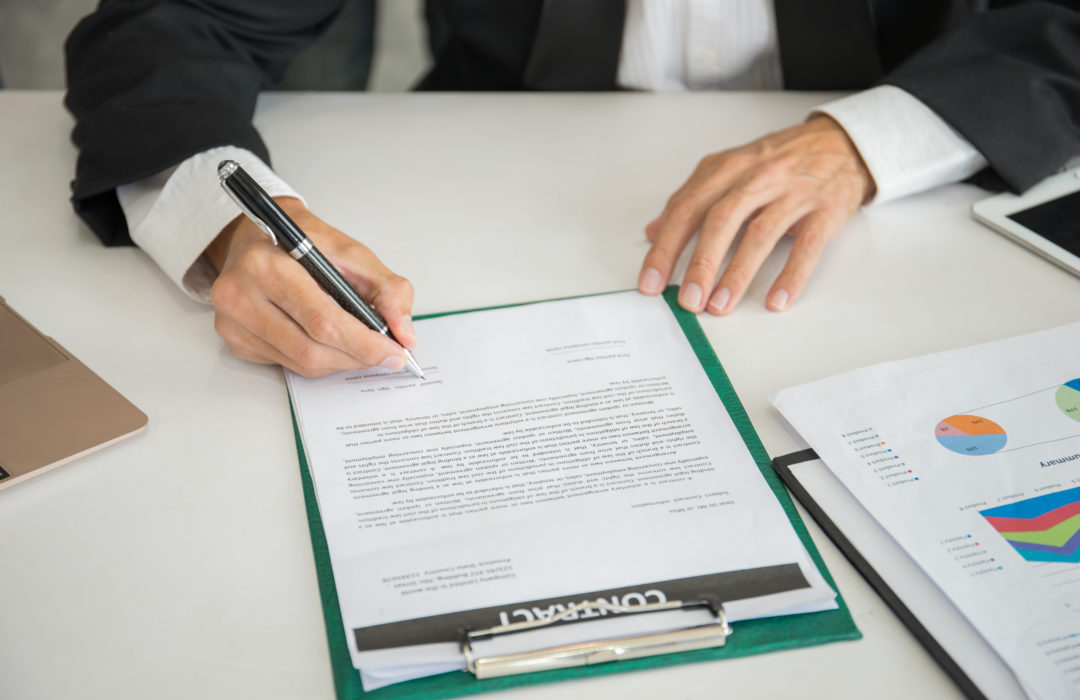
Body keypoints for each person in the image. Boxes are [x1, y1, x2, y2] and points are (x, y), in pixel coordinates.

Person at [65, 0, 1080, 377]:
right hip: (490, 195)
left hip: (929, 214)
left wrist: (868, 141)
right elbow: (166, 24)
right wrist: (231, 226)